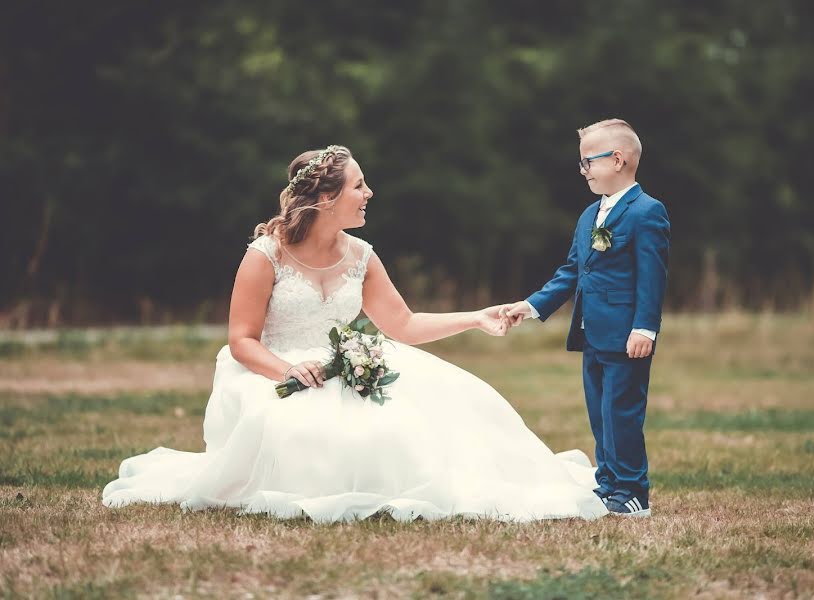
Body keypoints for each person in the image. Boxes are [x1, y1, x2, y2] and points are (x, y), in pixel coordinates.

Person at [102, 145, 608, 522]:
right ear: (325, 197)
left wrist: (475, 317)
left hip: (347, 360)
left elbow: (403, 325)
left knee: (438, 411)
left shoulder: (362, 256)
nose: (369, 194)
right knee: (306, 426)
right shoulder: (266, 255)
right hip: (269, 370)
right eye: (359, 186)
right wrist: (290, 370)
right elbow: (242, 340)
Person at [502, 119, 670, 518]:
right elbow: (572, 271)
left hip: (627, 335)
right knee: (600, 413)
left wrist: (644, 327)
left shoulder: (646, 212)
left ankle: (633, 491)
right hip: (592, 332)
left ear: (618, 159)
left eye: (587, 162)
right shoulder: (589, 215)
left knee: (623, 412)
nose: (583, 171)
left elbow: (653, 276)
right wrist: (532, 305)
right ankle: (608, 481)